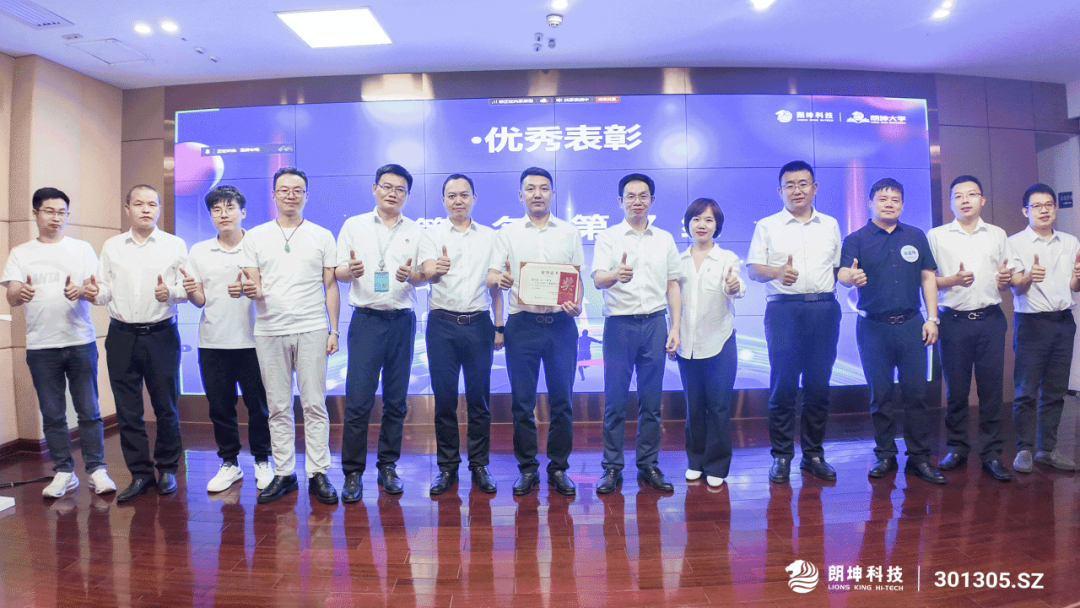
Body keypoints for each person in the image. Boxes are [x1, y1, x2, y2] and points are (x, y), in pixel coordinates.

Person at [2, 187, 115, 498]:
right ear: (35, 213)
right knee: (52, 414)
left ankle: (97, 469)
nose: (56, 217)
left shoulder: (81, 249)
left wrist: (84, 291)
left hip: (80, 341)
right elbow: (12, 295)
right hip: (41, 346)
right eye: (49, 211)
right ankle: (64, 471)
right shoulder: (21, 252)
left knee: (89, 410)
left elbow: (98, 291)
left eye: (62, 212)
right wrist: (19, 292)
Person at [241, 167, 340, 505]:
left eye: (297, 190)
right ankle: (284, 472)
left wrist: (334, 329)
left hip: (312, 327)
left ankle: (318, 472)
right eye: (284, 190)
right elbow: (254, 285)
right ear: (274, 195)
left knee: (314, 404)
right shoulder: (255, 236)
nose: (290, 195)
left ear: (306, 196)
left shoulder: (321, 235)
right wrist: (246, 290)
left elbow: (330, 286)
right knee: (278, 406)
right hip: (269, 330)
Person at [838, 177, 945, 485]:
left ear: (902, 204)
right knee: (880, 395)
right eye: (882, 199)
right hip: (873, 327)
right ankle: (885, 455)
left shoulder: (915, 235)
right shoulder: (856, 238)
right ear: (870, 203)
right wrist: (850, 277)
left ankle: (919, 458)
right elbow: (843, 272)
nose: (889, 204)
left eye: (895, 199)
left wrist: (932, 318)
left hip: (912, 324)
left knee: (916, 395)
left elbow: (928, 277)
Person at [487, 167, 585, 497]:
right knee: (522, 403)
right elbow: (491, 276)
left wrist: (577, 304)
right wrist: (499, 279)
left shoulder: (569, 232)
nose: (537, 194)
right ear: (521, 195)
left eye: (544, 188)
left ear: (552, 194)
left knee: (562, 402)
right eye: (530, 189)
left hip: (561, 327)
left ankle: (558, 468)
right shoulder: (508, 233)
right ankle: (528, 468)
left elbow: (577, 279)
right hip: (522, 326)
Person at [747, 161, 842, 484]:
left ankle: (813, 454)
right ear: (780, 191)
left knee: (818, 385)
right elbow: (753, 270)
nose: (797, 190)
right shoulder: (767, 226)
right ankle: (782, 456)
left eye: (803, 184)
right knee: (783, 385)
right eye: (790, 185)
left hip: (824, 309)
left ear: (814, 188)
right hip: (784, 311)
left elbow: (837, 269)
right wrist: (776, 272)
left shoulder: (830, 224)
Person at [91, 184, 187, 502]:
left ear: (158, 209)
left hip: (161, 335)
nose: (146, 209)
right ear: (128, 209)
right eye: (139, 204)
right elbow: (104, 289)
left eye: (152, 204)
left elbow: (189, 288)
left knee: (166, 406)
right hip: (121, 336)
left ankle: (168, 469)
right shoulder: (112, 246)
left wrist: (171, 292)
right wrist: (94, 293)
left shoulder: (174, 244)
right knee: (128, 410)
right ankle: (141, 474)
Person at [335, 164, 424, 501]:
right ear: (375, 188)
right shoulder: (354, 226)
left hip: (402, 321)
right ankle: (352, 472)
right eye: (387, 186)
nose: (392, 193)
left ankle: (388, 465)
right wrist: (349, 270)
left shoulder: (416, 230)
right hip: (366, 321)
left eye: (400, 189)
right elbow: (339, 271)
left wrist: (413, 275)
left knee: (396, 401)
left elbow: (423, 275)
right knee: (358, 400)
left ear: (407, 195)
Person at [592, 173, 682, 495]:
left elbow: (673, 284)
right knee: (615, 401)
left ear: (652, 200)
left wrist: (675, 326)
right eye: (630, 196)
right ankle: (611, 467)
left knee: (652, 402)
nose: (637, 201)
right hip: (619, 325)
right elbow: (598, 279)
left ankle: (648, 464)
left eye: (643, 196)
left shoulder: (665, 239)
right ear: (620, 201)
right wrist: (615, 274)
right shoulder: (609, 237)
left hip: (655, 323)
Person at [183, 185, 273, 493]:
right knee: (220, 408)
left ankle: (262, 460)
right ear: (211, 215)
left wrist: (252, 290)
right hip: (213, 341)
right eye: (216, 209)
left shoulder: (259, 247)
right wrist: (190, 290)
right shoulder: (199, 251)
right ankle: (230, 463)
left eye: (230, 207)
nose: (223, 214)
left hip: (255, 341)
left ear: (243, 212)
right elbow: (199, 300)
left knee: (259, 407)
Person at [418, 173, 503, 496]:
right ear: (443, 200)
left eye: (464, 195)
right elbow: (427, 271)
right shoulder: (432, 235)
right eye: (451, 195)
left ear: (474, 199)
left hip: (479, 324)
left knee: (479, 400)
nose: (458, 201)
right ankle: (447, 467)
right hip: (442, 325)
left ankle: (479, 465)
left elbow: (495, 285)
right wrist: (434, 270)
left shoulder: (491, 236)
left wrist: (499, 326)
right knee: (445, 400)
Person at [927, 176, 1014, 481]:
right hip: (953, 321)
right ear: (951, 202)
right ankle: (957, 447)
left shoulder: (997, 234)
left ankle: (991, 453)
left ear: (982, 200)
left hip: (990, 319)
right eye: (958, 196)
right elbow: (926, 280)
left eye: (972, 194)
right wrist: (951, 280)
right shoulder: (936, 236)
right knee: (957, 391)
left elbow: (1007, 278)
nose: (965, 200)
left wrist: (1006, 280)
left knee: (991, 390)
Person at [1007, 183, 1080, 473]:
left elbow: (1074, 286)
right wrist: (1028, 277)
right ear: (1025, 211)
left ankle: (1047, 449)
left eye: (1049, 204)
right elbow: (1016, 287)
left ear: (1055, 208)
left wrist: (1078, 278)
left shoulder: (1070, 242)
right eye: (1036, 206)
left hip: (1063, 322)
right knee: (1026, 391)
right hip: (1031, 323)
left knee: (1055, 391)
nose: (1044, 210)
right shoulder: (1014, 243)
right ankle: (1024, 449)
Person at [674, 198, 743, 488]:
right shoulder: (677, 260)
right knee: (694, 407)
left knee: (718, 407)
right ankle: (695, 461)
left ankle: (717, 464)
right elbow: (672, 301)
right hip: (686, 344)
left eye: (709, 220)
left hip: (720, 341)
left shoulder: (727, 257)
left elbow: (736, 286)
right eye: (696, 219)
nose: (701, 225)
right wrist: (672, 333)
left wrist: (733, 286)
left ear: (717, 225)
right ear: (688, 224)